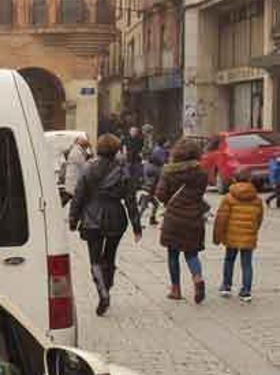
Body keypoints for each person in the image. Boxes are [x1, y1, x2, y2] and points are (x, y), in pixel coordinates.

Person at [69, 134, 143, 317]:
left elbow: (79, 195)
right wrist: (136, 225)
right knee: (110, 256)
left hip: (92, 217)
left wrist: (73, 219)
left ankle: (102, 291)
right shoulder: (122, 170)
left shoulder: (88, 168)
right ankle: (107, 286)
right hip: (116, 216)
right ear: (117, 150)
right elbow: (131, 199)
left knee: (94, 258)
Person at [156, 138, 210, 304]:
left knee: (173, 254)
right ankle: (197, 278)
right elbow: (200, 193)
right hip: (194, 217)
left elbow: (160, 194)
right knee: (191, 253)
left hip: (174, 218)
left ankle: (176, 289)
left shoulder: (168, 172)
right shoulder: (201, 172)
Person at [213, 170, 264, 302]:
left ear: (234, 180)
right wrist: (253, 230)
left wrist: (217, 236)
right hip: (248, 236)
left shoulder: (228, 198)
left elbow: (221, 218)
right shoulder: (257, 199)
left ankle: (226, 286)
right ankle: (246, 291)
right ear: (250, 180)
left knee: (229, 260)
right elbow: (259, 218)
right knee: (247, 263)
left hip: (231, 236)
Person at [62, 135, 90, 206]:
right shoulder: (77, 152)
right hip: (74, 181)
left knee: (69, 196)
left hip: (71, 180)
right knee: (71, 197)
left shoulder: (77, 150)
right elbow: (84, 166)